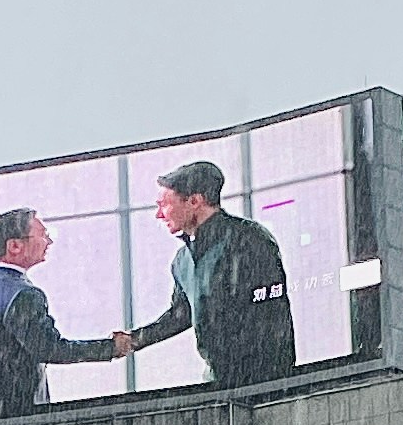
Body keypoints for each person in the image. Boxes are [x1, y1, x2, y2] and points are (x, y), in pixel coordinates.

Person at [117, 158, 297, 387]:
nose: (159, 215)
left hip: (262, 380)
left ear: (194, 201)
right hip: (219, 382)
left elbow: (269, 312)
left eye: (164, 204)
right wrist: (133, 340)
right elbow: (179, 316)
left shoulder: (249, 239)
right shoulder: (182, 261)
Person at [0, 209, 123, 419]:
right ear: (14, 246)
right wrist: (111, 348)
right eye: (42, 234)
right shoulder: (22, 294)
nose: (49, 241)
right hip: (3, 416)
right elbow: (50, 349)